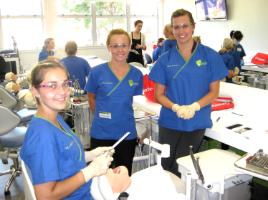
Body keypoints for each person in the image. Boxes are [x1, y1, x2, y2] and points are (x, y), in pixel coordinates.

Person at [149, 9, 228, 177]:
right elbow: (159, 94)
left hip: (196, 121)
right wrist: (176, 107)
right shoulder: (166, 59)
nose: (181, 31)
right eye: (176, 27)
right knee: (164, 166)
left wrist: (195, 106)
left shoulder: (210, 56)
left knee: (181, 168)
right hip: (170, 121)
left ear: (193, 27)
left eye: (185, 26)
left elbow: (214, 92)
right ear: (172, 30)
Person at [20, 60, 114, 200]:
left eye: (65, 84)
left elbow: (63, 156)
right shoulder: (42, 136)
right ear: (35, 91)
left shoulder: (54, 118)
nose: (63, 91)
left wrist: (90, 155)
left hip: (85, 191)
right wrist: (90, 171)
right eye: (52, 85)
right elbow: (45, 196)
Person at [85, 29, 143, 175]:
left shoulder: (136, 74)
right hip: (101, 134)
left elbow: (130, 101)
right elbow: (91, 97)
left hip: (126, 134)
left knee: (123, 175)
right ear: (109, 47)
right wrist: (101, 116)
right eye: (115, 46)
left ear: (130, 46)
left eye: (124, 45)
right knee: (100, 177)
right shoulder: (97, 72)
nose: (120, 50)